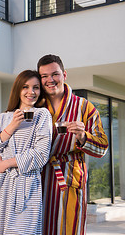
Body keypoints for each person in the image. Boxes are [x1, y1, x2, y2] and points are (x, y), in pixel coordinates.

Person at [37, 54, 109, 235]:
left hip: (69, 180)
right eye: (44, 76)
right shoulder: (35, 106)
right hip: (37, 180)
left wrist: (83, 137)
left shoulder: (85, 107)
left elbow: (102, 147)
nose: (50, 80)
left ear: (64, 75)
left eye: (55, 74)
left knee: (69, 229)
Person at [0, 70, 52, 235]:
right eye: (25, 87)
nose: (31, 92)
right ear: (17, 90)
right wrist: (12, 125)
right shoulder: (0, 119)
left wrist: (5, 164)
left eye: (36, 87)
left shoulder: (42, 115)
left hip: (26, 185)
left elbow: (41, 154)